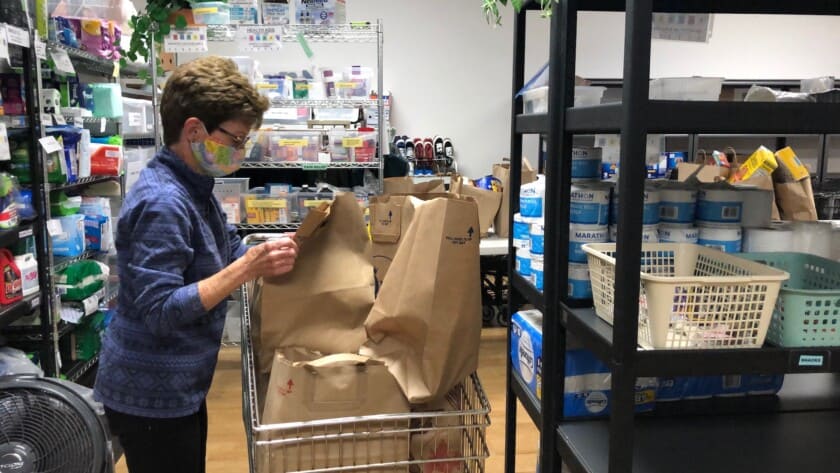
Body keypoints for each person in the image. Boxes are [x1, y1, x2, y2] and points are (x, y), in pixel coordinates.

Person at [94, 56, 297, 473]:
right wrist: (247, 268)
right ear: (193, 130)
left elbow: (229, 250)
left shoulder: (194, 187)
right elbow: (160, 311)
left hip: (180, 388)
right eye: (237, 139)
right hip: (151, 397)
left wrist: (276, 252)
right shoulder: (164, 202)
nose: (241, 151)